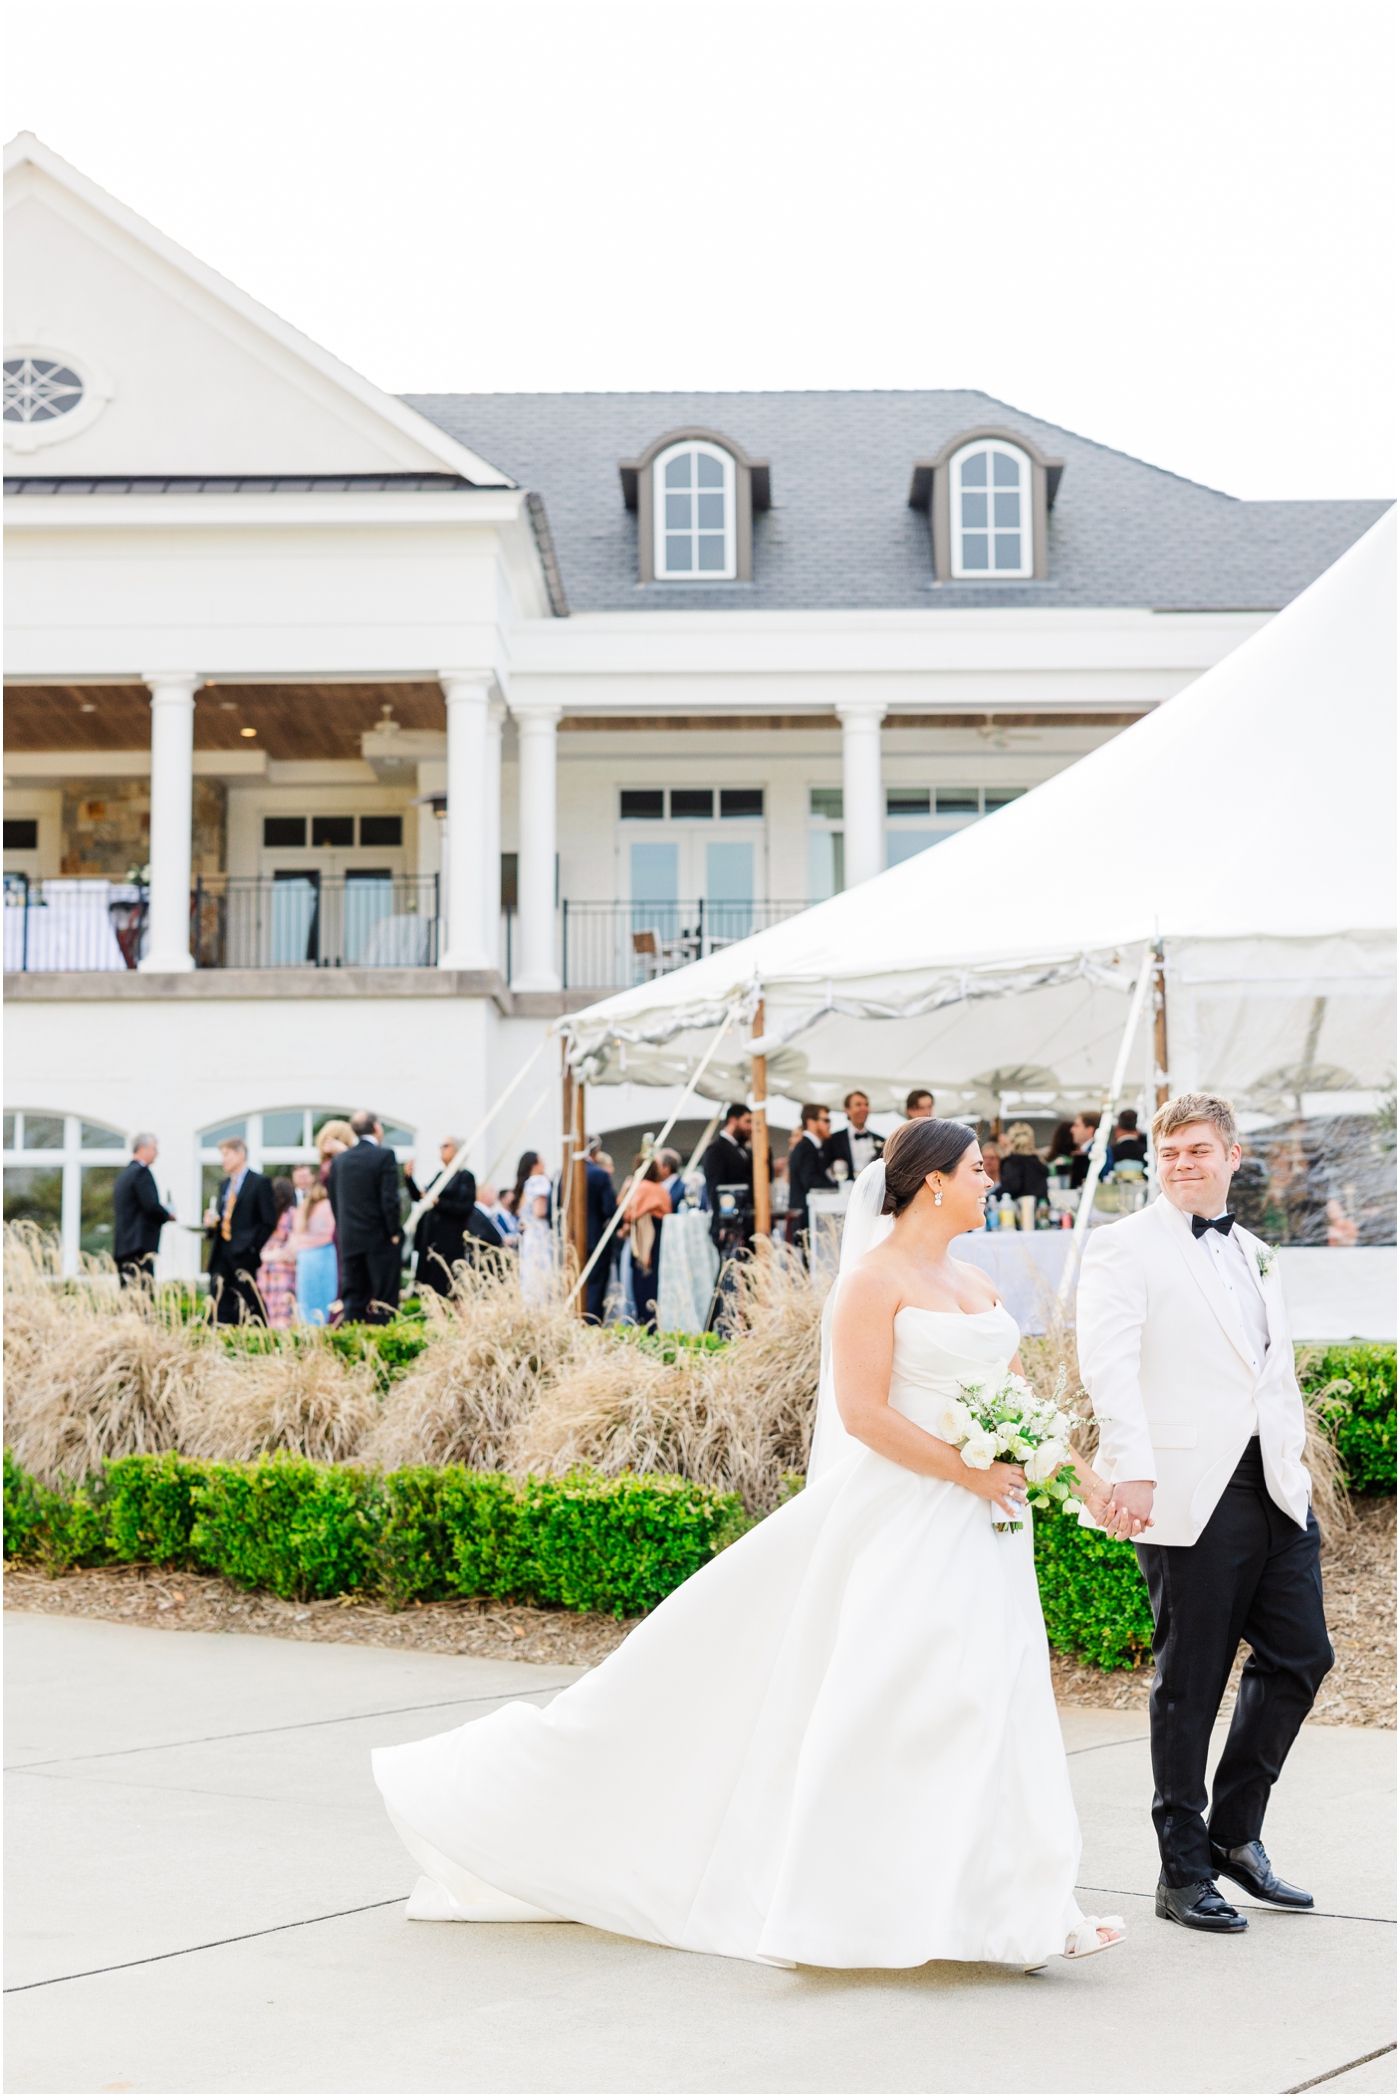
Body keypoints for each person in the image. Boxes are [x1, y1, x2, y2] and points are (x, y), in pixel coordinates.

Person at [372, 1118, 1125, 1971]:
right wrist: (968, 1471)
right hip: (910, 1520)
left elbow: (1021, 1405)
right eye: (978, 1170)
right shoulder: (872, 1283)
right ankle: (855, 1911)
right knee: (897, 1705)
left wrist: (1092, 1484)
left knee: (996, 1697)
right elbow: (864, 1415)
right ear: (933, 1184)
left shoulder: (978, 1283)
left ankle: (1015, 1910)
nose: (992, 1181)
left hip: (989, 1525)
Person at [1077, 1092, 1330, 1937]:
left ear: (1232, 1155)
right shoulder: (1123, 1245)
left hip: (1273, 1488)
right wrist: (1133, 1470)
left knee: (1301, 1656)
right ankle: (1181, 1869)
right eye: (1170, 1151)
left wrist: (1292, 1469)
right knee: (1189, 1684)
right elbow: (1107, 1364)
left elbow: (1272, 1376)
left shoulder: (1257, 1251)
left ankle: (1233, 1833)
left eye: (1198, 1149)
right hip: (1186, 1488)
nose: (1183, 1162)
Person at [327, 1111, 404, 1324]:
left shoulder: (340, 1160)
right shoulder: (384, 1155)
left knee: (353, 1299)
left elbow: (334, 1201)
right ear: (377, 1128)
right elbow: (390, 1200)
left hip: (350, 1239)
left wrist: (344, 1229)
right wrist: (394, 1231)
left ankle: (354, 1346)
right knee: (384, 1298)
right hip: (379, 1239)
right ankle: (382, 1344)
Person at [406, 1140, 503, 1297]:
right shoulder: (440, 1175)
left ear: (457, 1151)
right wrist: (409, 1179)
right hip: (432, 1239)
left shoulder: (465, 1177)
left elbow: (464, 1207)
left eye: (445, 1145)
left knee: (449, 1284)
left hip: (450, 1240)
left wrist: (439, 1202)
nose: (441, 1149)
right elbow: (421, 1197)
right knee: (432, 1282)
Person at [203, 1137, 277, 1324]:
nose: (223, 1160)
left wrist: (253, 1248)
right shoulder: (224, 1184)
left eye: (226, 1155)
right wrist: (211, 1224)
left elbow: (268, 1221)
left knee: (248, 1298)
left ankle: (257, 1334)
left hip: (244, 1252)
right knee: (219, 1298)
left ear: (240, 1154)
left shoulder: (259, 1182)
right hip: (221, 1250)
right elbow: (224, 1216)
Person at [112, 1132, 173, 1288]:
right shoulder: (141, 1173)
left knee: (128, 1295)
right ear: (141, 1148)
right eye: (154, 1148)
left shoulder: (124, 1175)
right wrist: (167, 1215)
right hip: (138, 1247)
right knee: (143, 1297)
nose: (156, 1153)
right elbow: (150, 1206)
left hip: (124, 1247)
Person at [622, 1157, 670, 1327]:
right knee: (654, 1284)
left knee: (642, 1285)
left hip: (645, 1242)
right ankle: (653, 1323)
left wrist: (626, 1189)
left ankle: (645, 1324)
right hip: (658, 1240)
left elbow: (627, 1212)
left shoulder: (641, 1188)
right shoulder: (661, 1189)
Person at [701, 1104, 757, 1250]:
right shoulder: (716, 1149)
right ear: (733, 1121)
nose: (750, 1127)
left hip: (748, 1221)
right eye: (747, 1121)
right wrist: (725, 1223)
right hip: (731, 1223)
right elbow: (715, 1188)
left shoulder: (745, 1149)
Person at [786, 1102, 836, 1248]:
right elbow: (810, 1180)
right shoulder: (805, 1147)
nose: (829, 1125)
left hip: (811, 1217)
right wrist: (837, 1186)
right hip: (805, 1219)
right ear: (810, 1122)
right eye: (826, 1120)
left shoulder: (813, 1147)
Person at [289, 1179, 338, 1325]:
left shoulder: (303, 1207)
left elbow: (296, 1232)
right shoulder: (328, 1206)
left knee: (306, 1300)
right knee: (327, 1298)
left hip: (305, 1258)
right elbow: (333, 1231)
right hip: (324, 1255)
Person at [255, 1178, 299, 1330]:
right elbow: (292, 1251)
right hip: (284, 1270)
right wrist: (278, 1254)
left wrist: (265, 1256)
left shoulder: (263, 1214)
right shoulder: (292, 1214)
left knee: (266, 1312)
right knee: (285, 1314)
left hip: (263, 1269)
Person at [513, 1151, 555, 1304]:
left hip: (529, 1237)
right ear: (534, 1165)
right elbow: (539, 1210)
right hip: (540, 1235)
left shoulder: (527, 1183)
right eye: (541, 1161)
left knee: (531, 1277)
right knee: (542, 1275)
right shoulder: (539, 1181)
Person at [583, 1149, 618, 1324]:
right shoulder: (599, 1174)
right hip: (596, 1240)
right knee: (595, 1288)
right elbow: (609, 1210)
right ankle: (591, 1326)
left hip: (569, 1241)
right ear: (595, 1152)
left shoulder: (563, 1174)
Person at [823, 1091, 884, 1181]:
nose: (863, 1108)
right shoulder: (834, 1140)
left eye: (866, 1105)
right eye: (858, 1105)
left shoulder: (880, 1140)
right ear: (847, 1110)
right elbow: (826, 1172)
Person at [998, 1123, 1049, 1206]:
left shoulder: (1012, 1162)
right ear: (1031, 1140)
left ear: (1011, 1140)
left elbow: (1010, 1188)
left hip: (1018, 1213)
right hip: (1041, 1211)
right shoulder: (1040, 1162)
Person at [1067, 1110, 1101, 1189]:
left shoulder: (1096, 1152)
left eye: (1077, 1126)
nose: (1072, 1130)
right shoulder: (1088, 1150)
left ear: (1090, 1130)